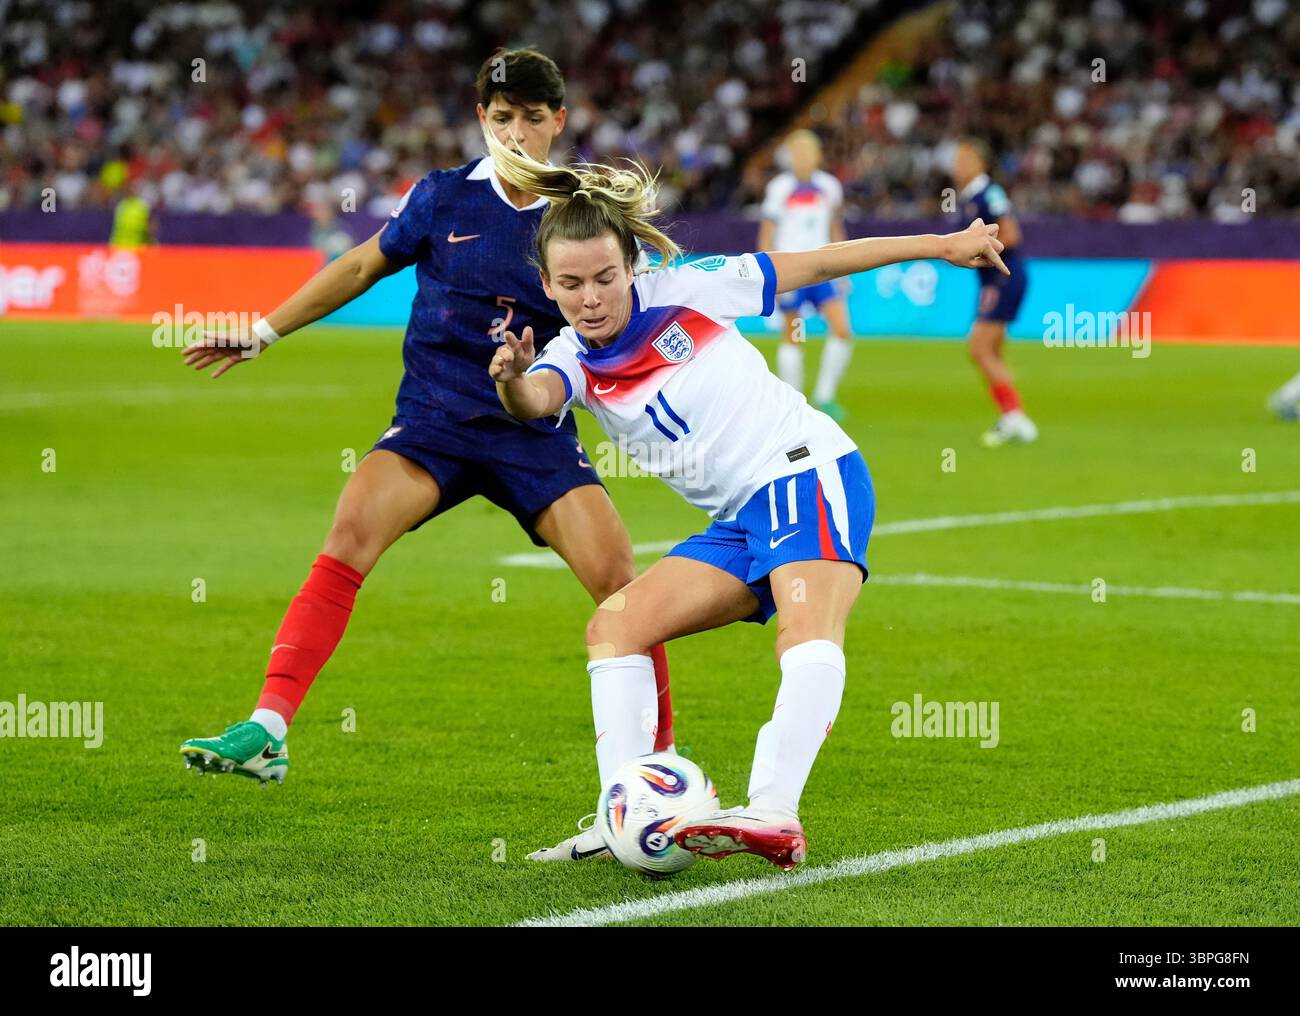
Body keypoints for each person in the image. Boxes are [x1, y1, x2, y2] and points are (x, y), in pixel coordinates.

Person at [485, 128, 1007, 869]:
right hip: (738, 519)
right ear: (546, 284)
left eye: (604, 276)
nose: (591, 298)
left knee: (804, 632)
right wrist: (510, 377)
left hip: (805, 471)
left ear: (630, 262)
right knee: (616, 627)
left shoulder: (690, 286)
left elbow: (819, 261)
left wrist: (938, 243)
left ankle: (774, 811)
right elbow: (536, 400)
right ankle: (624, 811)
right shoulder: (568, 354)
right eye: (571, 286)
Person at [176, 50, 677, 809]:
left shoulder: (582, 213)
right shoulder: (442, 198)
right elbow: (362, 265)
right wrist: (265, 331)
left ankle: (662, 771)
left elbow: (628, 310)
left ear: (559, 123)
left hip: (530, 429)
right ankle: (268, 729)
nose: (516, 133)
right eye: (501, 117)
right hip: (433, 422)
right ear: (481, 119)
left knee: (621, 585)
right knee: (347, 536)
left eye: (533, 120)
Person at [759, 130, 855, 421]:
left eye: (807, 153)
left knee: (841, 330)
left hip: (825, 268)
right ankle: (793, 399)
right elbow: (767, 234)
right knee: (794, 333)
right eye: (797, 153)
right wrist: (771, 272)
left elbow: (835, 228)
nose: (802, 159)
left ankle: (825, 396)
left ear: (817, 156)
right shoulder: (779, 188)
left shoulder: (830, 186)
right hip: (792, 269)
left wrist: (845, 266)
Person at [951, 138, 1037, 446]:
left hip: (1003, 279)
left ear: (980, 163)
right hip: (995, 281)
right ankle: (1011, 416)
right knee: (994, 352)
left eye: (964, 159)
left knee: (979, 350)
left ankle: (1015, 417)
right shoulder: (968, 197)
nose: (957, 165)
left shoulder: (989, 193)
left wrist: (974, 252)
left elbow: (1011, 234)